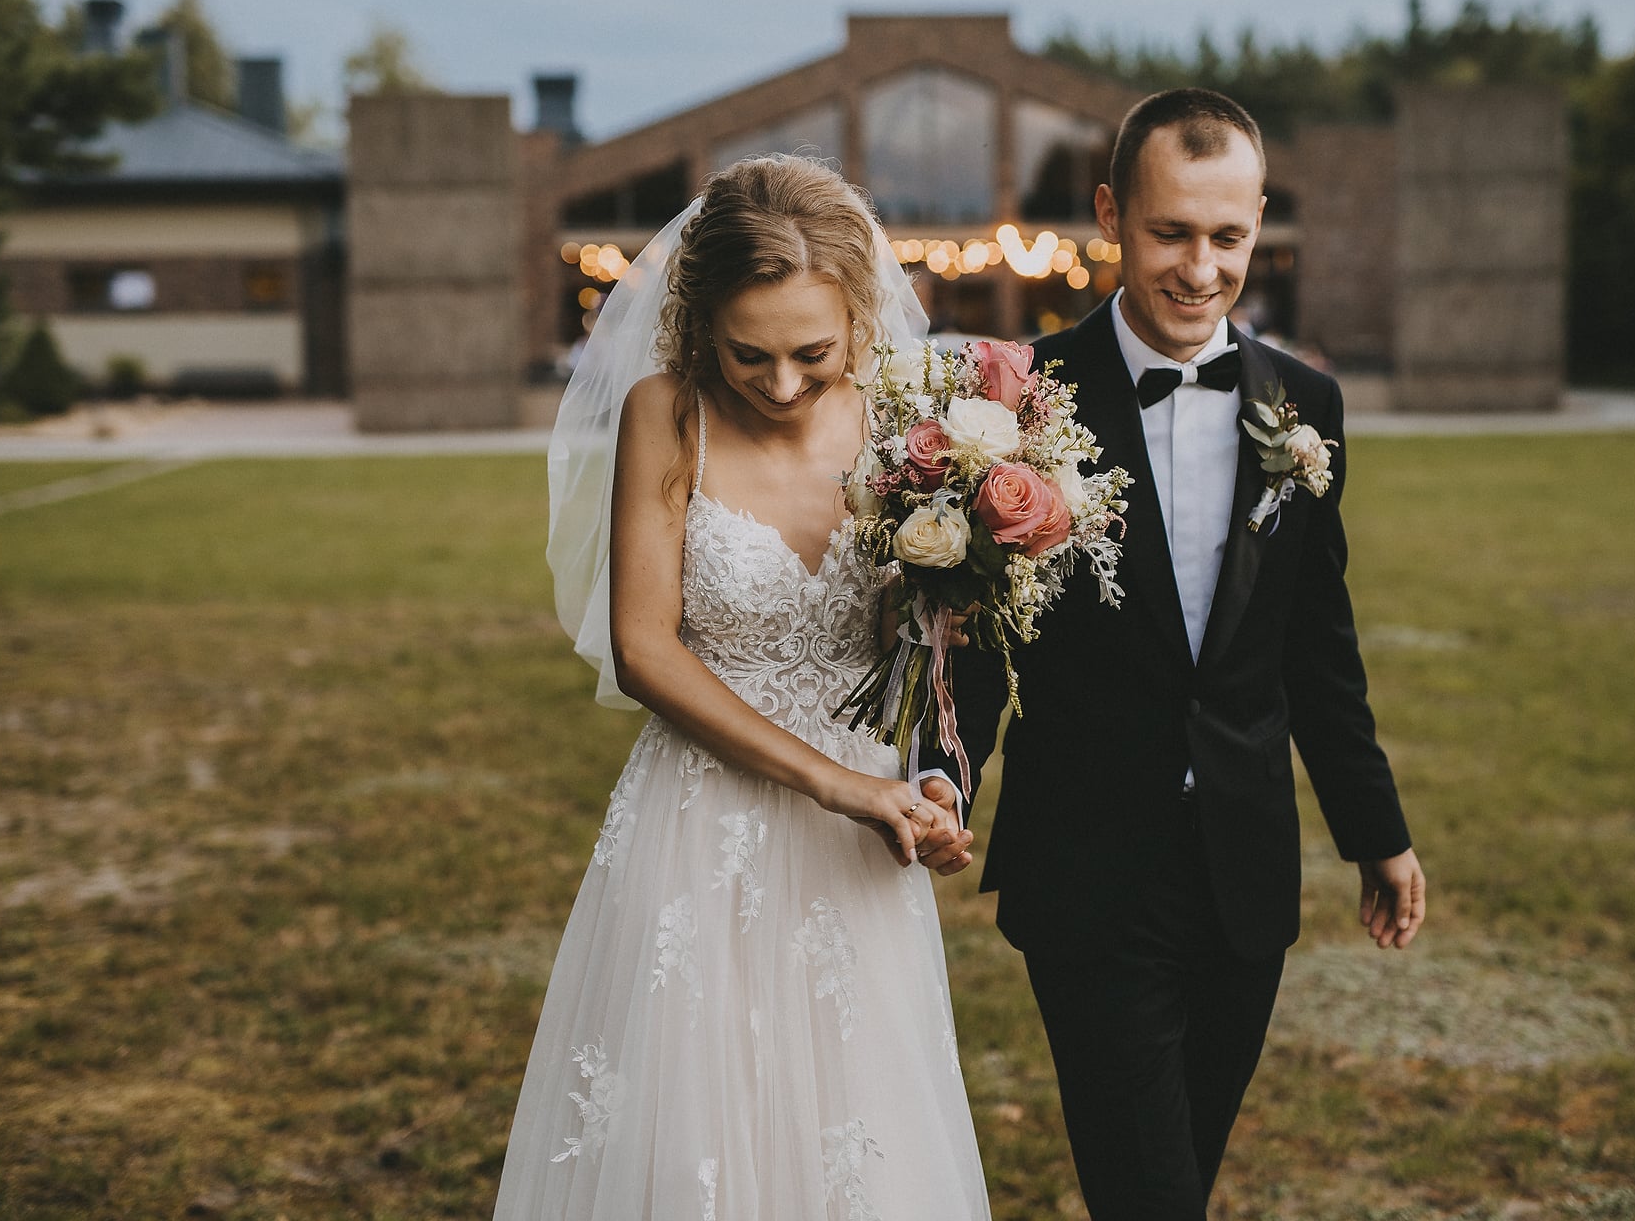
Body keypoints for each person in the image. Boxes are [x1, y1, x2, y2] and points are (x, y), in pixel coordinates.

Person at [924, 89, 1427, 1219]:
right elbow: (979, 638)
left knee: (1173, 1180)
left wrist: (1376, 829)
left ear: (1259, 222)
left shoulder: (1306, 403)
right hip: (1089, 874)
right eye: (1171, 233)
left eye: (1227, 236)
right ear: (1112, 214)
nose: (1201, 269)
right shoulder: (1015, 401)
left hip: (1244, 872)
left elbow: (1316, 644)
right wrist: (942, 775)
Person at [495, 155, 989, 1220]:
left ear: (859, 315)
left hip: (865, 831)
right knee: (695, 1132)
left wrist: (927, 777)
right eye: (747, 353)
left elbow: (923, 649)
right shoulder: (668, 414)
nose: (781, 384)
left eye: (813, 353)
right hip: (699, 822)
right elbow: (644, 648)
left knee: (858, 1127)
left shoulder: (915, 426)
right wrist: (837, 784)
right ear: (699, 322)